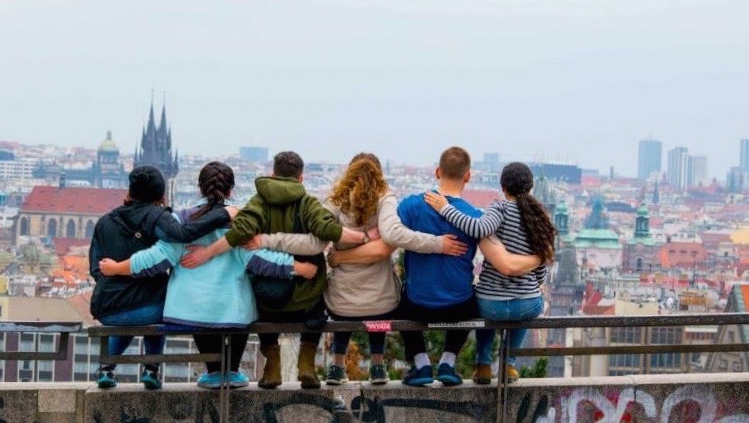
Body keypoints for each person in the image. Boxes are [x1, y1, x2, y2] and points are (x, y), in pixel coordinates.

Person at [246, 152, 469, 386]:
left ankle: (337, 365)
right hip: (382, 303)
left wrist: (335, 256)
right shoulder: (386, 199)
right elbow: (391, 237)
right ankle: (378, 364)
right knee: (382, 299)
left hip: (341, 304)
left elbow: (318, 237)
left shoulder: (336, 201)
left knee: (340, 297)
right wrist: (438, 244)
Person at [99, 162, 319, 389]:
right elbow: (261, 260)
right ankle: (231, 371)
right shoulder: (240, 221)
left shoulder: (181, 220)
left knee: (203, 312)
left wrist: (118, 268)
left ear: (199, 188)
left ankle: (213, 372)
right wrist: (299, 267)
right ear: (231, 190)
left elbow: (155, 258)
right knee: (239, 306)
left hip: (192, 310)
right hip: (233, 312)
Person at [179, 151, 371, 389]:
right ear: (301, 178)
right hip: (305, 301)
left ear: (273, 174)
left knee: (256, 301)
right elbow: (327, 229)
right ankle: (307, 364)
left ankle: (272, 367)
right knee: (320, 298)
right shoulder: (308, 202)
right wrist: (363, 237)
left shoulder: (259, 202)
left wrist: (206, 253)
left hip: (270, 300)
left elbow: (238, 233)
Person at [396, 147, 540, 387]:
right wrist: (539, 258)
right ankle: (448, 362)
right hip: (458, 306)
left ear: (437, 172)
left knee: (399, 298)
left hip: (417, 304)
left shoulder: (410, 205)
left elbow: (390, 236)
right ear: (468, 176)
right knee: (474, 299)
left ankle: (421, 363)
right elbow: (500, 259)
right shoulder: (474, 216)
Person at [88, 165, 233, 390]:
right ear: (161, 195)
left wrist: (117, 282)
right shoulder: (156, 217)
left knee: (131, 315)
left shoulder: (105, 221)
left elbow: (96, 269)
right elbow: (181, 235)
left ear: (130, 191)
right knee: (165, 303)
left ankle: (106, 368)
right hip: (148, 309)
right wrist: (223, 214)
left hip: (108, 309)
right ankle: (151, 370)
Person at [424, 161, 555, 384]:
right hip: (526, 303)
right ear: (530, 188)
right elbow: (541, 267)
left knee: (482, 307)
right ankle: (509, 365)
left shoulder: (500, 208)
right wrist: (534, 285)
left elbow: (478, 229)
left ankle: (483, 364)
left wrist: (445, 209)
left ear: (503, 186)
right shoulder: (540, 219)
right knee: (528, 310)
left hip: (491, 304)